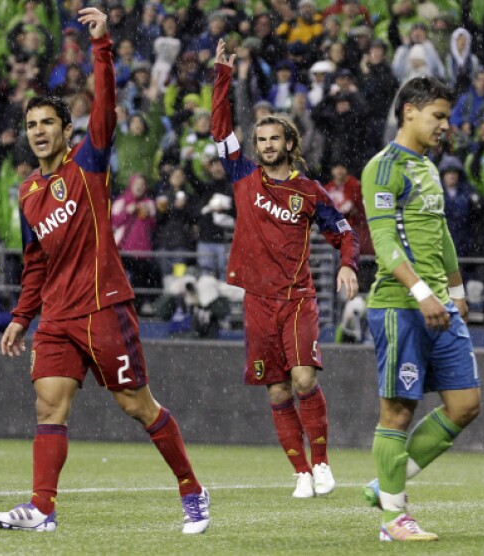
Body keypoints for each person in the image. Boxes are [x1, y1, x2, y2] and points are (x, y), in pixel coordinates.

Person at [0, 8, 210, 535]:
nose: (39, 132)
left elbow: (106, 106)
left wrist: (102, 46)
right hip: (59, 317)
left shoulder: (87, 166)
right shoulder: (28, 194)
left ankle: (192, 489)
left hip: (105, 306)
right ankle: (42, 509)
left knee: (137, 405)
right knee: (49, 405)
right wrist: (22, 316)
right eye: (31, 125)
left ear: (68, 131)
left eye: (48, 124)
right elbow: (35, 261)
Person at [211, 39, 360, 498]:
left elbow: (345, 232)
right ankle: (299, 471)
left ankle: (321, 463)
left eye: (275, 138)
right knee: (276, 392)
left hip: (297, 298)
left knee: (303, 379)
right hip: (257, 299)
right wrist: (222, 77)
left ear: (289, 143)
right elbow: (220, 131)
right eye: (261, 139)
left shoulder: (310, 191)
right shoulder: (242, 177)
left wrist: (347, 265)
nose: (267, 144)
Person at [360, 76, 481, 542]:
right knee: (397, 412)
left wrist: (455, 290)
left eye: (447, 117)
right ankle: (393, 519)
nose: (445, 125)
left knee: (466, 405)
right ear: (409, 110)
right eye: (438, 116)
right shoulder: (383, 168)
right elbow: (385, 241)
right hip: (399, 306)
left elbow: (442, 234)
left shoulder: (428, 167)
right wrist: (421, 294)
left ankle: (386, 483)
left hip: (439, 305)